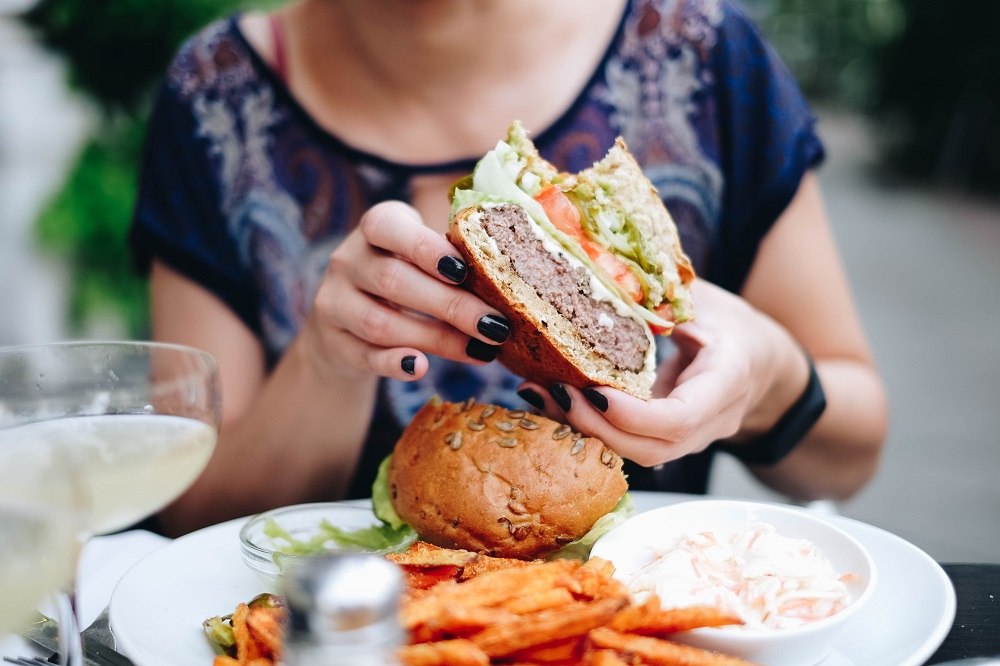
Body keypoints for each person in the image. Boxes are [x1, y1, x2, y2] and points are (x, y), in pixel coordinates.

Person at [131, 0, 888, 536]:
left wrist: (767, 377)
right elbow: (197, 521)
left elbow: (851, 455)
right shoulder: (213, 97)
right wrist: (329, 363)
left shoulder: (705, 59)